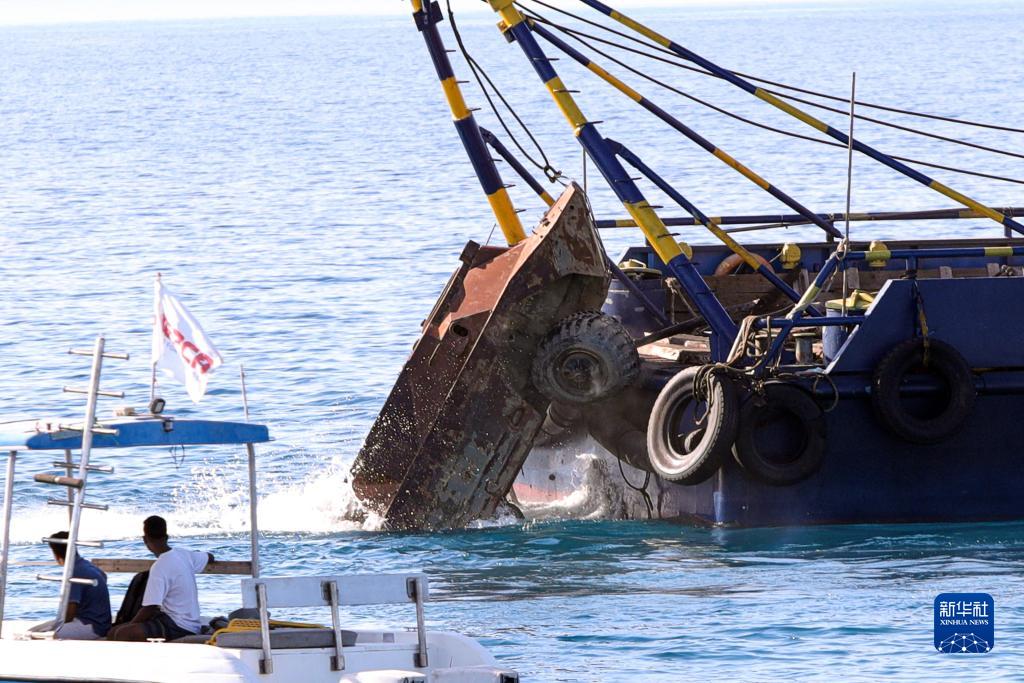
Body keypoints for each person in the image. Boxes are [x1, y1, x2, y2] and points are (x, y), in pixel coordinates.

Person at [107, 516, 214, 641]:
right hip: (188, 621)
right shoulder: (184, 554)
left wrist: (130, 625)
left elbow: (150, 607)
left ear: (145, 539)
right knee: (115, 631)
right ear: (166, 537)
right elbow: (210, 557)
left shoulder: (159, 567)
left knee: (121, 633)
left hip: (178, 625)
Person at [29, 531, 111, 639]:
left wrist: (51, 628)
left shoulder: (74, 571)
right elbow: (104, 577)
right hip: (100, 621)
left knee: (40, 636)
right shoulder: (86, 565)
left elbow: (69, 615)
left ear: (56, 554)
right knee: (33, 631)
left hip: (91, 626)